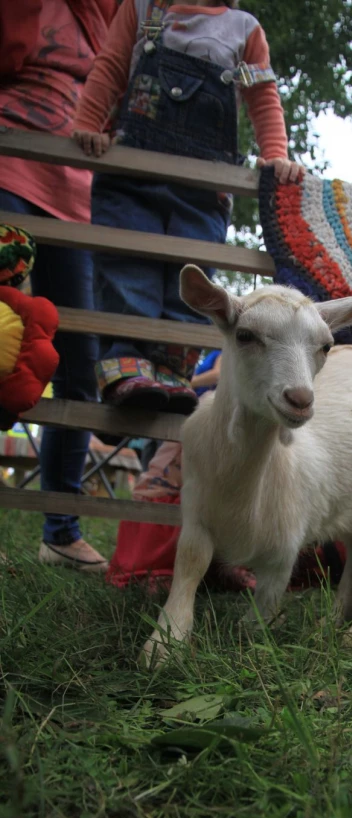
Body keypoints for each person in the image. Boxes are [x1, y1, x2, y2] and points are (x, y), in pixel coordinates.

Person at [72, 0, 304, 414]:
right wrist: (89, 124)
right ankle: (127, 365)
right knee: (128, 268)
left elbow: (263, 96)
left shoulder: (243, 30)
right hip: (132, 177)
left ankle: (171, 372)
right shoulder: (141, 10)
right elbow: (109, 68)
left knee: (191, 281)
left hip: (202, 188)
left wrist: (274, 153)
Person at [0, 0, 118, 572]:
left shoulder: (122, 19)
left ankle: (60, 531)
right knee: (0, 342)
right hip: (10, 166)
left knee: (78, 363)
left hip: (76, 198)